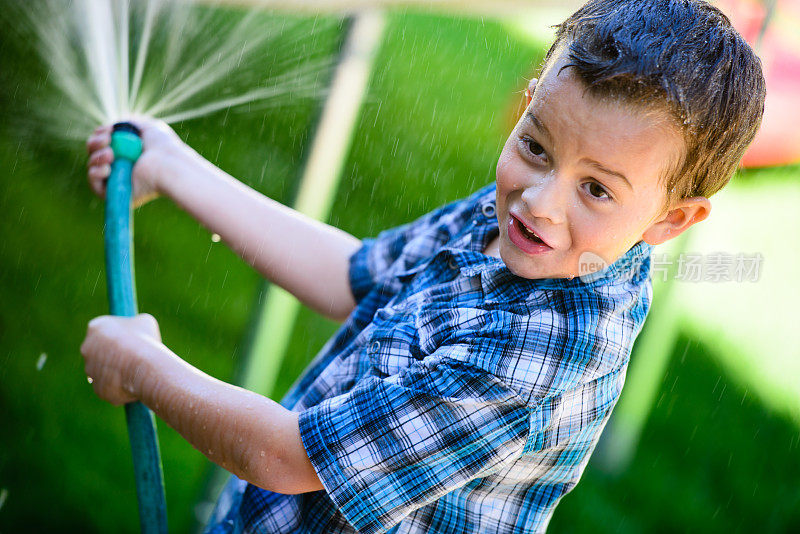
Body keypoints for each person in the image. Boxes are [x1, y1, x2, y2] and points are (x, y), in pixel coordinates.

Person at [80, 0, 765, 532]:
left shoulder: (541, 352)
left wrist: (145, 367)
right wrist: (176, 168)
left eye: (596, 189)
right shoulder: (521, 218)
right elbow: (356, 274)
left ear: (670, 221)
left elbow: (286, 458)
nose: (541, 200)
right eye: (535, 145)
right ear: (530, 103)